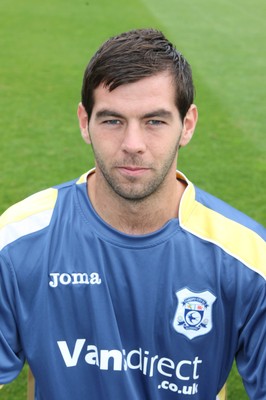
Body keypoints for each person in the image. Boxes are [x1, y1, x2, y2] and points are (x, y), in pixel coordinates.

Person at [0, 28, 265, 400]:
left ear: (187, 125)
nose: (133, 145)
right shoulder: (16, 244)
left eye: (155, 121)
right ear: (84, 122)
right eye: (112, 120)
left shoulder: (248, 257)